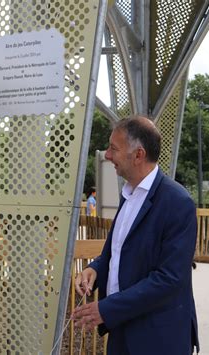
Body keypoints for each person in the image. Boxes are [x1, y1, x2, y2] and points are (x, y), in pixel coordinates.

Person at [72, 116, 199, 355]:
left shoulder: (178, 202)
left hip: (158, 338)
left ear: (138, 155)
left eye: (114, 148)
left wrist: (107, 309)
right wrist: (96, 269)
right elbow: (117, 250)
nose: (107, 156)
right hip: (122, 330)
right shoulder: (129, 193)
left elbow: (170, 278)